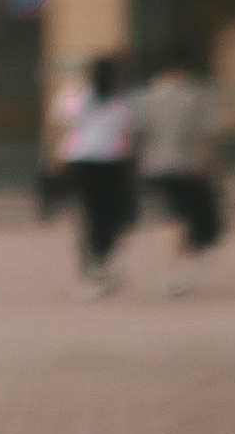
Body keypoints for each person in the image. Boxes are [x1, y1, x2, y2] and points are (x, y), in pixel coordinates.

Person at [131, 55, 222, 296]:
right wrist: (212, 166)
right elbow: (206, 135)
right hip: (188, 165)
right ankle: (177, 268)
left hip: (155, 164)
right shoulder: (194, 96)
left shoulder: (145, 98)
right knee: (185, 217)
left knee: (172, 216)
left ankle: (175, 267)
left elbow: (136, 133)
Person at [57, 53, 138, 293]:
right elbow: (128, 134)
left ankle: (93, 261)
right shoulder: (121, 102)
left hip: (82, 161)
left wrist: (55, 160)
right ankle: (104, 257)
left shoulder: (74, 98)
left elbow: (59, 128)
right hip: (112, 162)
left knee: (89, 214)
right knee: (110, 214)